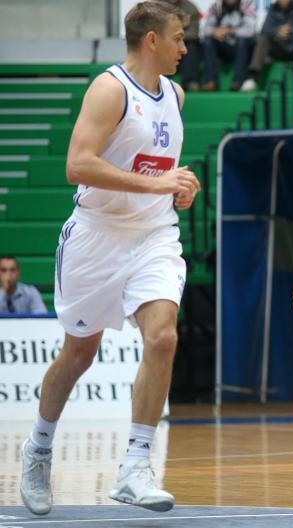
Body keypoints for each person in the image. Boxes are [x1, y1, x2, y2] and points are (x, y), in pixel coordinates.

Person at [19, 1, 200, 516]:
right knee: (79, 355)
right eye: (178, 37)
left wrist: (179, 186)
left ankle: (135, 468)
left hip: (153, 235)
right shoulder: (110, 88)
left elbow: (157, 167)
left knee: (164, 337)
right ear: (151, 40)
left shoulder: (177, 95)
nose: (185, 48)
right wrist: (158, 182)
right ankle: (39, 447)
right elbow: (78, 165)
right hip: (96, 238)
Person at [240, 0, 293, 93]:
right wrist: (277, 31)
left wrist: (292, 31)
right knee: (263, 40)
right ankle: (253, 78)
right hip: (280, 50)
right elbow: (264, 31)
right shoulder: (273, 9)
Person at [201, 0, 257, 91]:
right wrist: (214, 31)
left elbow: (251, 30)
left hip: (242, 48)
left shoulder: (247, 5)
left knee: (242, 41)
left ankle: (238, 81)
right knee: (208, 41)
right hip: (223, 47)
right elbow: (205, 29)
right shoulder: (216, 6)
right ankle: (211, 81)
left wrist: (231, 31)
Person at [163, 0, 202, 91]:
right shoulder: (157, 7)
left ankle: (190, 82)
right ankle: (159, 80)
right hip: (163, 42)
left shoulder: (191, 8)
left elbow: (193, 33)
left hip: (184, 41)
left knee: (192, 46)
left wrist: (173, 37)